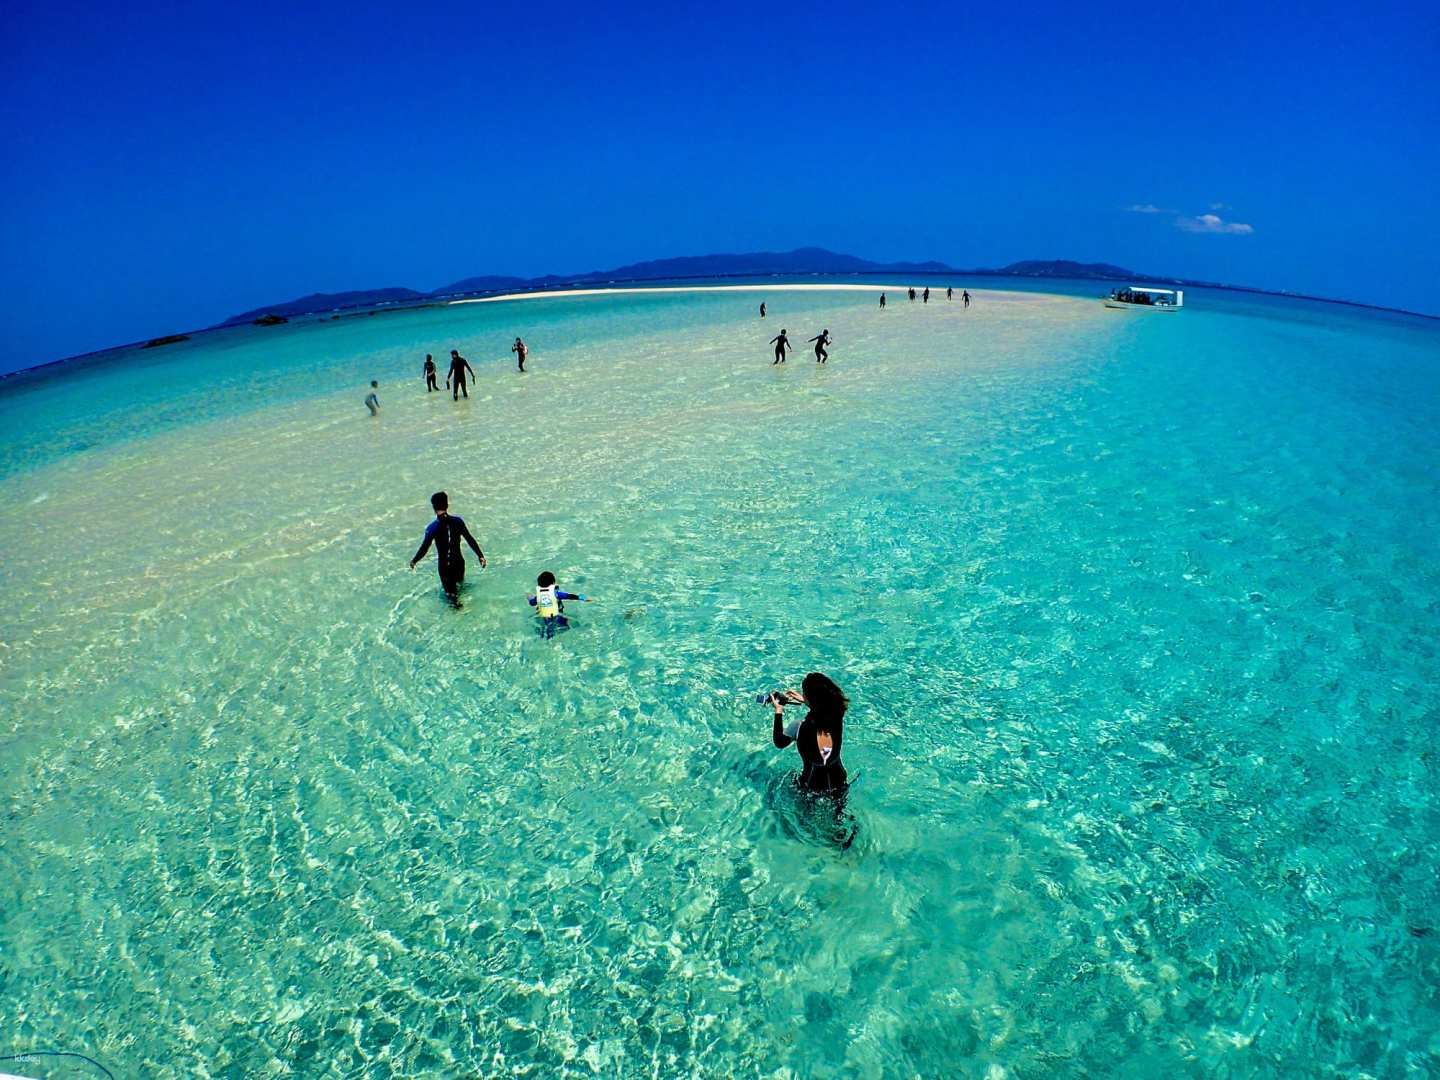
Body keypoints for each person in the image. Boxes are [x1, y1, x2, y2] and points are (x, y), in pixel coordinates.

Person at [770, 673, 849, 794]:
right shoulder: (837, 714)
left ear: (810, 699)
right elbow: (824, 707)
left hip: (812, 783)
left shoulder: (798, 726)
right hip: (838, 778)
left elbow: (779, 742)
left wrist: (778, 710)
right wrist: (806, 700)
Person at [409, 491, 486, 606]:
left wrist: (414, 561)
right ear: (447, 505)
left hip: (445, 568)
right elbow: (470, 539)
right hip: (459, 563)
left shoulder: (432, 528)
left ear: (434, 508)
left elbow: (424, 548)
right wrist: (480, 556)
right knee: (461, 588)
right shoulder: (458, 522)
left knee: (453, 601)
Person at [528, 570, 592, 637]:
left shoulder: (538, 597)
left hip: (545, 617)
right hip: (558, 616)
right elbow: (569, 596)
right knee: (565, 626)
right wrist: (582, 598)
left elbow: (532, 603)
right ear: (552, 584)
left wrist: (529, 597)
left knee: (547, 630)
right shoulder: (556, 594)